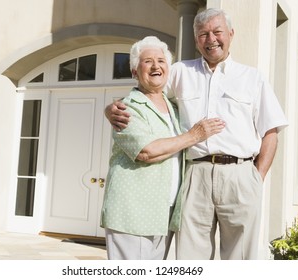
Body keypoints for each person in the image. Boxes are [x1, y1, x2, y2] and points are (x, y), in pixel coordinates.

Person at [105, 8, 288, 260]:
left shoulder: (252, 78)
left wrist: (257, 177)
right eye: (203, 34)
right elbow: (147, 89)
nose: (211, 39)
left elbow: (271, 131)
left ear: (231, 34)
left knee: (241, 257)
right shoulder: (180, 71)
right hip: (195, 174)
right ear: (196, 40)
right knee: (191, 257)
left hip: (240, 175)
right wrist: (111, 107)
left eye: (217, 32)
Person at [100, 36, 225, 260]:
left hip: (163, 212)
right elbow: (147, 151)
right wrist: (194, 135)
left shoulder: (173, 106)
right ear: (134, 72)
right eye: (148, 61)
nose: (156, 66)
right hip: (133, 212)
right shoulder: (127, 108)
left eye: (161, 61)